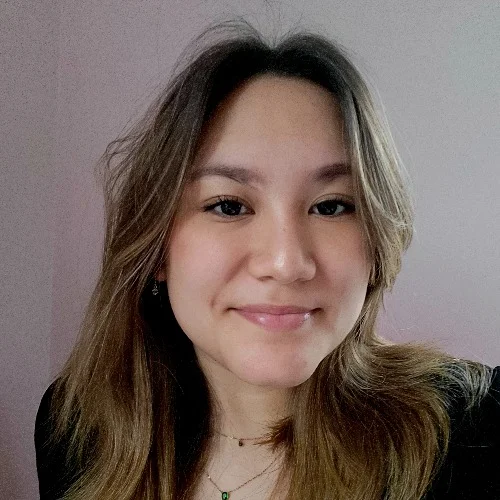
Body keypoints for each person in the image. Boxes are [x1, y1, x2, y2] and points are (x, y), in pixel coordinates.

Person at [34, 19, 499, 500]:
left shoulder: (476, 434)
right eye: (228, 206)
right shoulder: (75, 430)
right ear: (156, 247)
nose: (285, 262)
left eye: (331, 206)